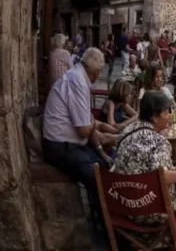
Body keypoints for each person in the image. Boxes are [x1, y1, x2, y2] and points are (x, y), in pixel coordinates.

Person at [42, 48, 119, 219]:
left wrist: (103, 131)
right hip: (61, 147)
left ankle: (103, 218)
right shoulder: (78, 81)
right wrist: (98, 129)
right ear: (97, 71)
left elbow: (87, 122)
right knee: (98, 178)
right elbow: (84, 129)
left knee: (108, 163)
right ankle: (109, 225)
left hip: (69, 144)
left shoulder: (77, 76)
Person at [111, 91, 176, 233]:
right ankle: (168, 239)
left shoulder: (128, 130)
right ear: (153, 116)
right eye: (166, 113)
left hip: (123, 204)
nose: (169, 116)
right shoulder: (158, 143)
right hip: (149, 210)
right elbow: (162, 176)